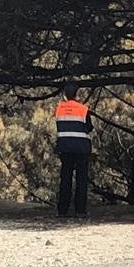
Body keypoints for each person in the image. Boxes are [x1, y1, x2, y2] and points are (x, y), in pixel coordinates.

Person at [55, 82, 92, 218]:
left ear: (65, 94)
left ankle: (63, 210)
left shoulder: (59, 109)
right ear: (77, 94)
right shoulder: (83, 109)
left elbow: (59, 124)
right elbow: (89, 127)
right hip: (81, 148)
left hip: (65, 147)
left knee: (65, 179)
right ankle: (80, 210)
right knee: (81, 180)